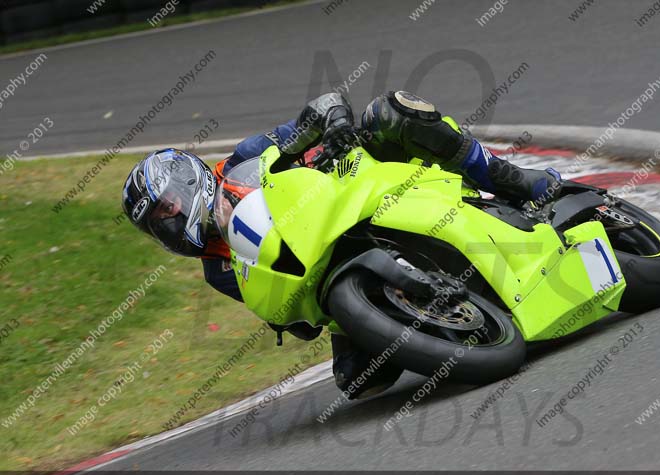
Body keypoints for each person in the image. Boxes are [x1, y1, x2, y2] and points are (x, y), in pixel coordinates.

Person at [121, 90, 562, 399]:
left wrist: (331, 127)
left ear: (184, 180)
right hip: (330, 267)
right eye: (156, 226)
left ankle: (513, 181)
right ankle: (439, 314)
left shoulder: (243, 159)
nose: (170, 226)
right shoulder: (218, 270)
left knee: (390, 111)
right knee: (358, 381)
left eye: (166, 209)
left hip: (362, 182)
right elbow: (298, 322)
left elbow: (323, 107)